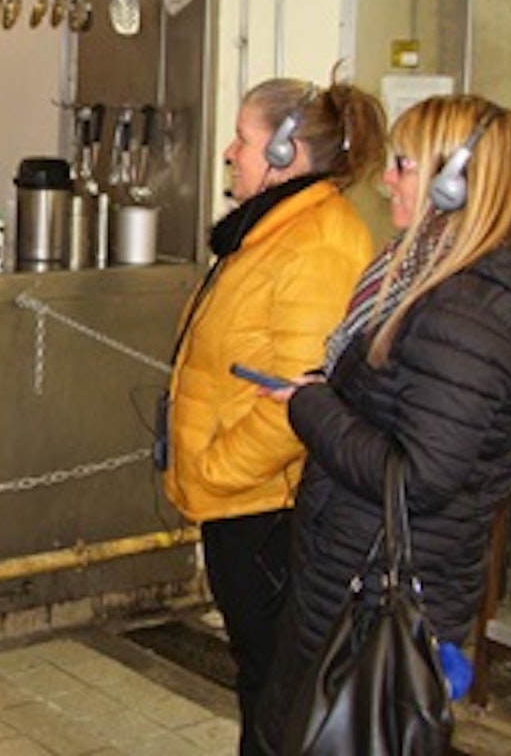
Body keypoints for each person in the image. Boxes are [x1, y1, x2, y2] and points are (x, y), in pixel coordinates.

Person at [251, 94, 511, 753]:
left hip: (378, 587)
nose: (386, 179)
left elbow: (418, 477)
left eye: (404, 165)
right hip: (351, 568)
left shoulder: (470, 315)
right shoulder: (438, 276)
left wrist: (313, 407)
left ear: (455, 183)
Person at [162, 75, 387, 753]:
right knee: (265, 682)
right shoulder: (273, 230)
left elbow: (300, 399)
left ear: (286, 150)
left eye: (244, 138)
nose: (230, 151)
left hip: (267, 506)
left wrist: (213, 467)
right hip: (241, 502)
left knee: (280, 689)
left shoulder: (316, 243)